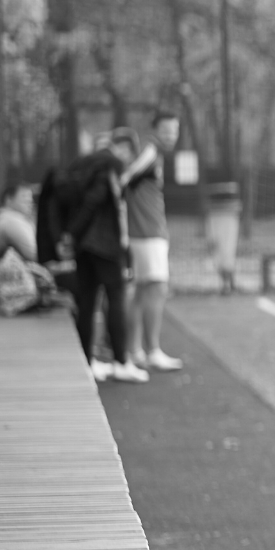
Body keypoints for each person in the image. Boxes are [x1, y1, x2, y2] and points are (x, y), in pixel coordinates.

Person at [61, 129, 147, 382]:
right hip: (104, 246)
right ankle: (121, 361)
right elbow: (94, 201)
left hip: (85, 247)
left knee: (87, 301)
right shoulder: (108, 167)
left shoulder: (84, 166)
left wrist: (72, 235)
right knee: (116, 298)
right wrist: (73, 232)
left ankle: (88, 361)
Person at [121, 110, 184, 371]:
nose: (171, 136)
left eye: (175, 131)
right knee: (156, 288)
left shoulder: (152, 153)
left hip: (142, 232)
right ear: (156, 130)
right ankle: (152, 350)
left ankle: (134, 350)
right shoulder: (150, 151)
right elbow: (125, 177)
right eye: (167, 131)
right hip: (148, 233)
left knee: (141, 291)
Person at [0, 181, 58, 316]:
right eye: (24, 198)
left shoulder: (12, 217)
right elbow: (36, 255)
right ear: (8, 200)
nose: (30, 202)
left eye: (31, 198)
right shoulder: (10, 220)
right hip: (14, 286)